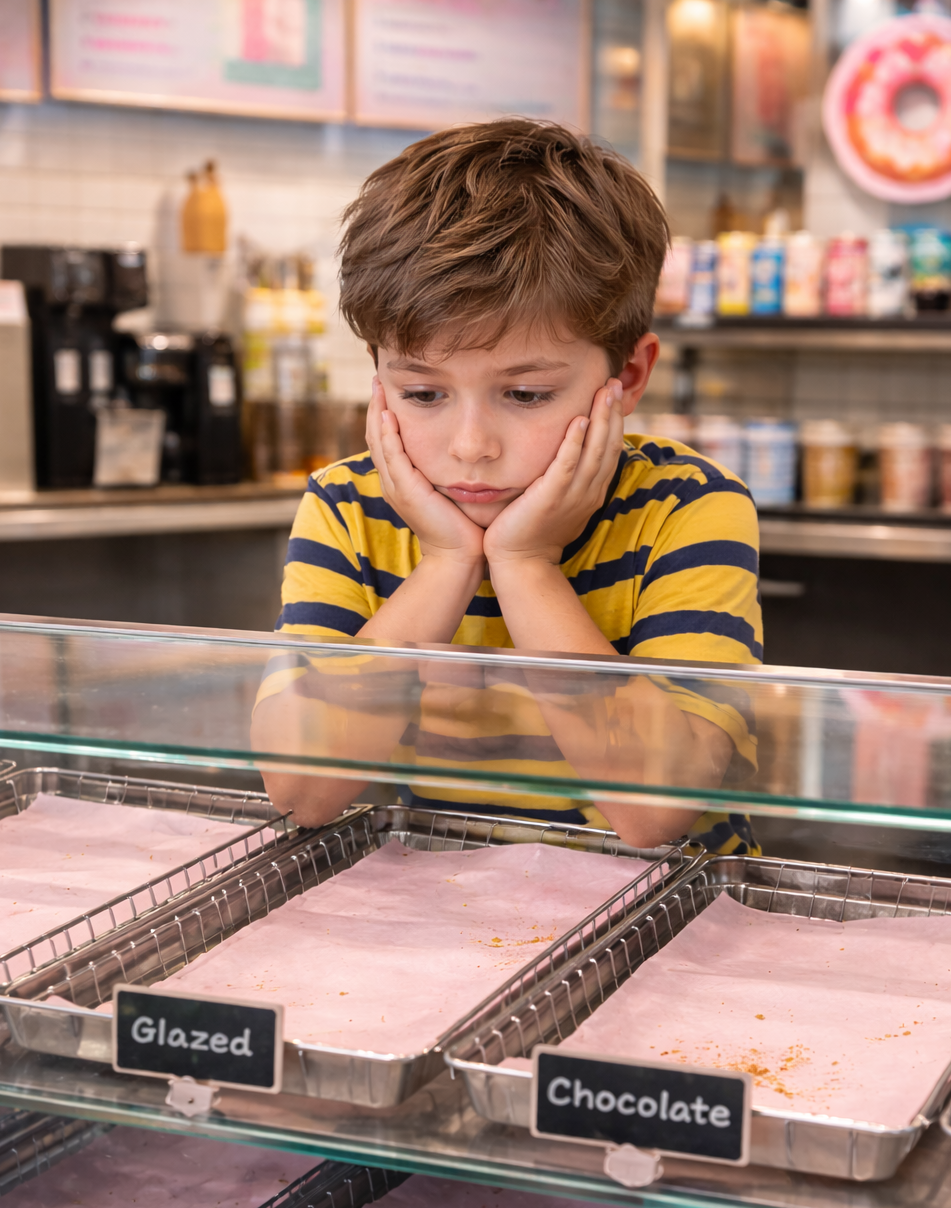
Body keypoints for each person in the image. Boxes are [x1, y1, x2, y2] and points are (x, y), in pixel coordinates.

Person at [253, 119, 761, 851]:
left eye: (525, 396)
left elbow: (653, 815)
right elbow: (301, 792)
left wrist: (526, 566)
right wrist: (446, 564)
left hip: (663, 925)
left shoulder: (689, 508)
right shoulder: (346, 506)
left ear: (629, 377)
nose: (471, 447)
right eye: (423, 395)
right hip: (446, 914)